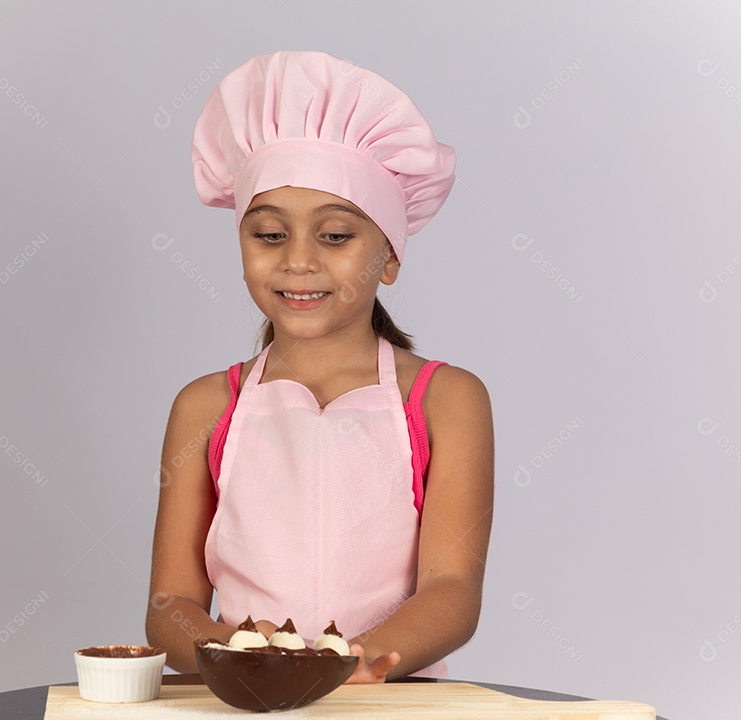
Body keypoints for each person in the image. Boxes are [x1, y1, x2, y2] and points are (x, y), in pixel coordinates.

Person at [145, 50, 493, 683]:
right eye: (269, 234)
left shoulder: (446, 400)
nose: (298, 261)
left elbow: (452, 591)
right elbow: (172, 605)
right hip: (241, 695)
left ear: (388, 258)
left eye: (335, 236)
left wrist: (353, 664)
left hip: (384, 698)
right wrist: (240, 657)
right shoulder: (204, 407)